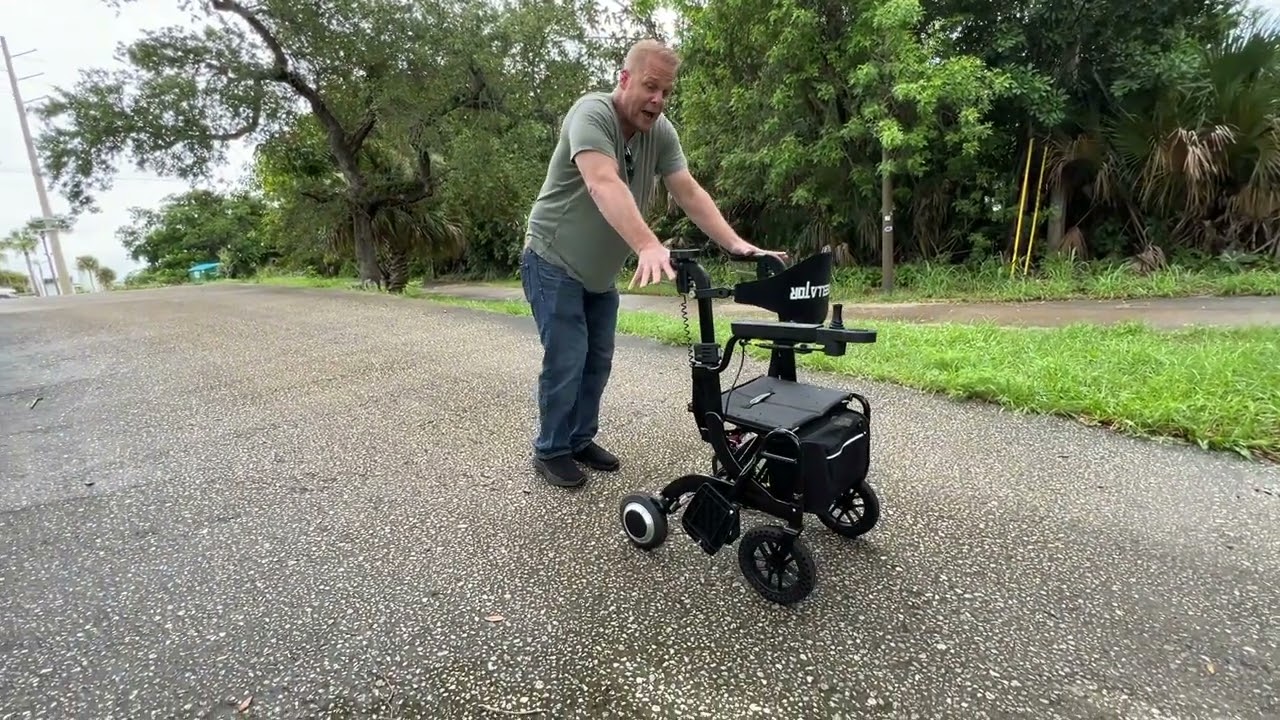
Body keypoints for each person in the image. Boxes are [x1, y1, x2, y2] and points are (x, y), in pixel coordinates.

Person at [521, 38, 786, 488]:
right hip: (552, 259)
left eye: (666, 91)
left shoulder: (660, 133)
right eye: (650, 86)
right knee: (569, 357)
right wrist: (647, 244)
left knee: (597, 360)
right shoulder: (591, 113)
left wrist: (738, 245)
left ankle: (580, 439)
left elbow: (689, 191)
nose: (658, 100)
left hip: (599, 275)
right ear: (624, 80)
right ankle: (551, 448)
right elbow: (603, 183)